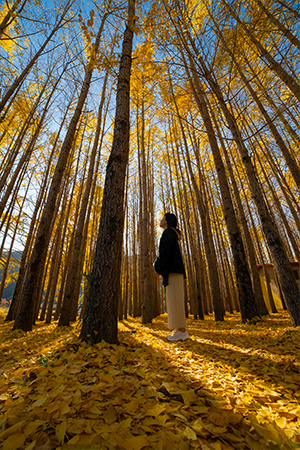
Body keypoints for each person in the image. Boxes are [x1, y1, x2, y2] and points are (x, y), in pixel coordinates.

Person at [154, 212, 190, 341]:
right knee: (174, 300)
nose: (161, 219)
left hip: (173, 271)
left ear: (168, 221)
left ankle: (182, 332)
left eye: (163, 218)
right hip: (173, 271)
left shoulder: (168, 232)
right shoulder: (171, 233)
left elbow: (164, 253)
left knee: (175, 300)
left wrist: (156, 266)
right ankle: (178, 330)